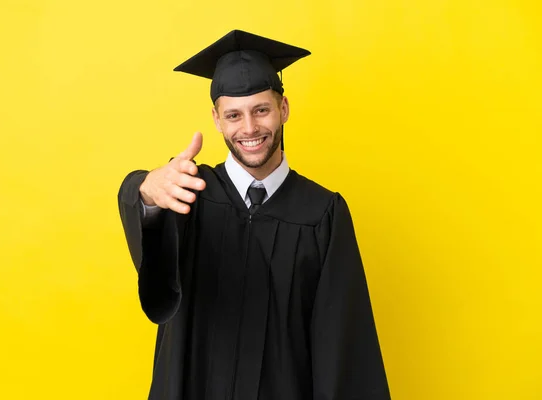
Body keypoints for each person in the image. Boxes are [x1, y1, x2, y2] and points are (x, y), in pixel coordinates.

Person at [117, 30, 390, 400]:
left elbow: (343, 348)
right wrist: (145, 192)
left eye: (261, 110)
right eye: (234, 115)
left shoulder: (322, 214)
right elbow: (156, 269)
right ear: (216, 119)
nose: (249, 128)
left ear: (284, 109)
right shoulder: (187, 195)